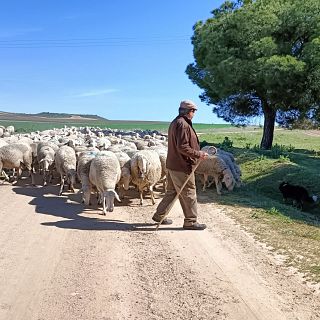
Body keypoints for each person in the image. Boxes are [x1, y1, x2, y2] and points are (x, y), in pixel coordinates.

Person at [152, 100, 208, 230]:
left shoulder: (175, 122)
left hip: (173, 164)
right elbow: (182, 147)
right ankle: (191, 221)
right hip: (182, 166)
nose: (194, 114)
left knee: (172, 192)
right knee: (189, 193)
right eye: (194, 111)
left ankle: (159, 215)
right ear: (190, 111)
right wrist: (198, 154)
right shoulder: (182, 124)